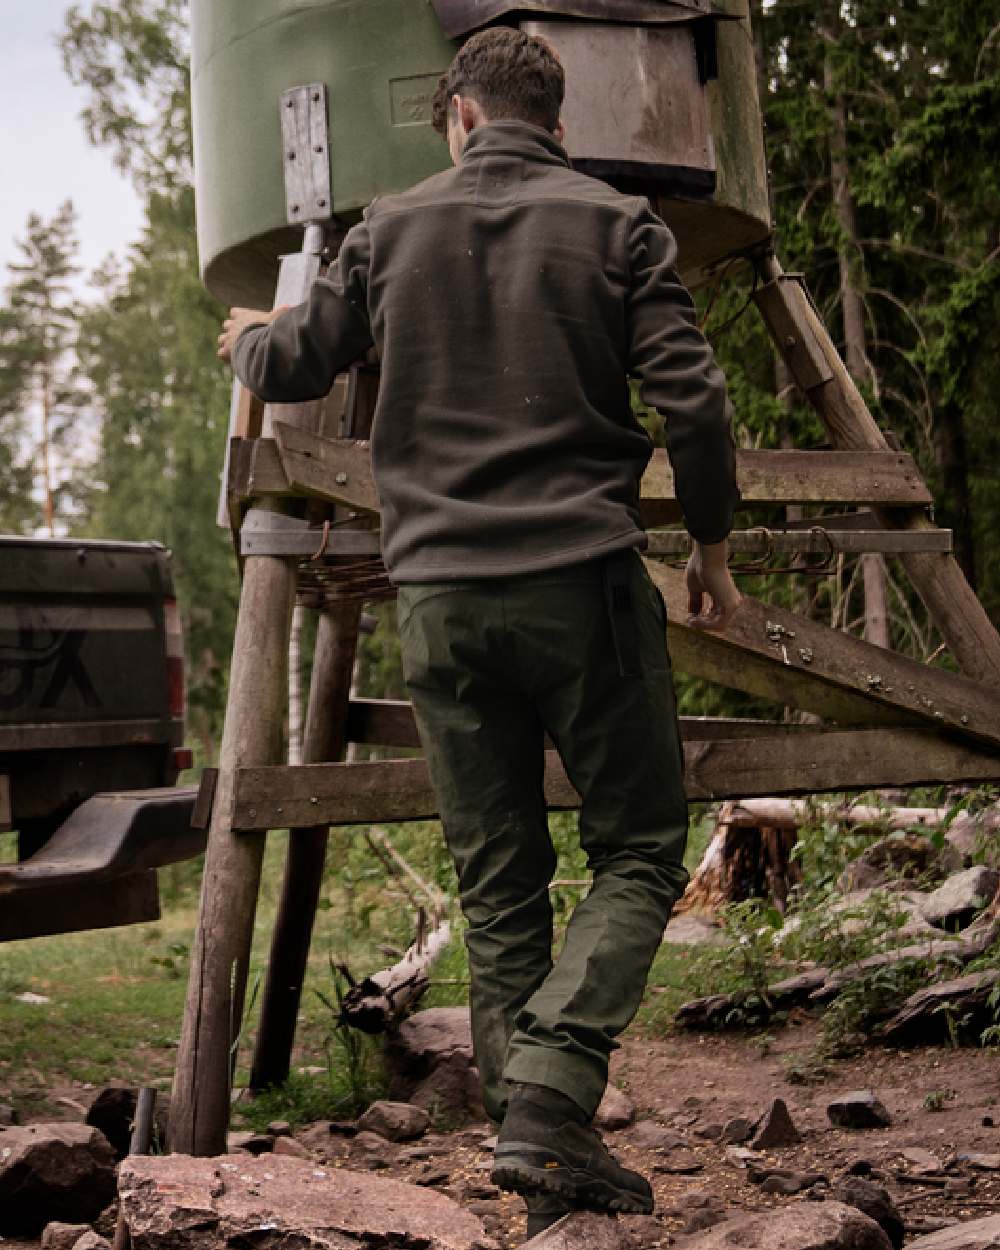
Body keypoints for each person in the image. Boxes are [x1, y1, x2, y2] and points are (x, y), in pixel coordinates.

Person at [219, 25, 741, 1234]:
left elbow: (296, 359)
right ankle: (552, 1097)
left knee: (502, 878)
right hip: (583, 587)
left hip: (442, 603)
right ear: (559, 125)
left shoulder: (386, 230)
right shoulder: (619, 225)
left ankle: (534, 1132)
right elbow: (694, 403)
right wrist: (711, 550)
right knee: (642, 846)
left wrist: (246, 336)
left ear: (454, 116)